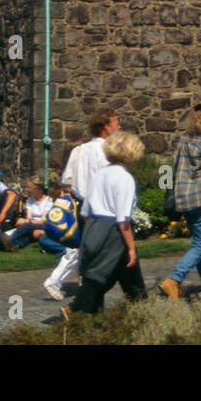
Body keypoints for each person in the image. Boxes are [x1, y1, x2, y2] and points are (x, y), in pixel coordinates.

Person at [43, 108, 120, 301]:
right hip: (100, 210)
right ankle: (87, 295)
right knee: (102, 252)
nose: (119, 127)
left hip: (80, 206)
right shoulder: (108, 152)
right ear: (106, 127)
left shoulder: (79, 150)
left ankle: (86, 288)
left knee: (85, 250)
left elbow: (66, 181)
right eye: (116, 123)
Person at [69, 131, 147, 316]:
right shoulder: (125, 178)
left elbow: (85, 210)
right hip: (113, 232)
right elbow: (123, 220)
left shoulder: (100, 174)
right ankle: (77, 311)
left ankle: (140, 308)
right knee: (97, 278)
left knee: (125, 274)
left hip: (93, 226)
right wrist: (131, 247)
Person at [160, 96, 201, 299]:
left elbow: (175, 163)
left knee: (200, 243)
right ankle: (173, 280)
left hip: (183, 196)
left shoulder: (184, 138)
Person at [0, 175, 64, 253]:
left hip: (45, 225)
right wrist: (24, 221)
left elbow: (43, 221)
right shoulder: (30, 200)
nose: (27, 189)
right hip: (32, 225)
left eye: (29, 187)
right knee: (30, 233)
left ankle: (10, 239)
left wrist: (26, 222)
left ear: (38, 189)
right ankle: (16, 245)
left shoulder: (48, 201)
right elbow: (28, 217)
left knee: (27, 226)